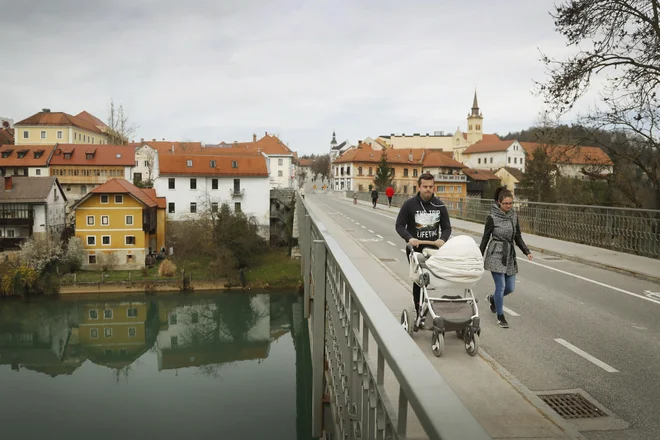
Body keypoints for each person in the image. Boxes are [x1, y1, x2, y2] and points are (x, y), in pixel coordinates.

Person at [395, 173, 451, 320]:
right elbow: (399, 225)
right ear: (419, 186)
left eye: (430, 187)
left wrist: (443, 239)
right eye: (425, 186)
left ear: (434, 187)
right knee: (420, 280)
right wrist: (409, 237)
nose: (428, 189)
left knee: (434, 278)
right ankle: (418, 308)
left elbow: (447, 228)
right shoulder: (409, 205)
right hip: (415, 249)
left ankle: (433, 305)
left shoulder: (440, 205)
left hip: (433, 249)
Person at [479, 187, 533, 328]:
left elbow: (517, 236)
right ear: (499, 202)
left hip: (509, 254)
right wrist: (479, 256)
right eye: (506, 203)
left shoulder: (514, 216)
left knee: (510, 287)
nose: (509, 206)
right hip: (496, 253)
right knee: (501, 286)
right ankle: (500, 316)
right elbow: (485, 238)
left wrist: (526, 251)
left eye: (511, 203)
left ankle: (493, 299)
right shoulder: (492, 217)